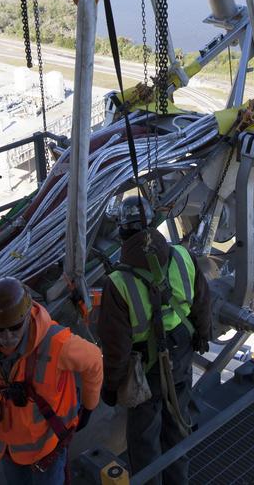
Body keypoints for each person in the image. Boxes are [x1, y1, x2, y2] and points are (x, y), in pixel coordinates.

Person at [98, 196, 212, 484]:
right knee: (177, 427)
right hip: (181, 355)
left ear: (122, 232)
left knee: (144, 443)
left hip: (144, 372)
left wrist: (111, 388)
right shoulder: (184, 257)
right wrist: (202, 334)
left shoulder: (118, 283)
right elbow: (202, 301)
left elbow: (116, 348)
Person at [0, 277, 102, 484]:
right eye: (0, 329)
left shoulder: (57, 344)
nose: (7, 337)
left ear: (26, 318)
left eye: (14, 328)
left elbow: (94, 360)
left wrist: (89, 407)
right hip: (9, 446)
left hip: (47, 447)